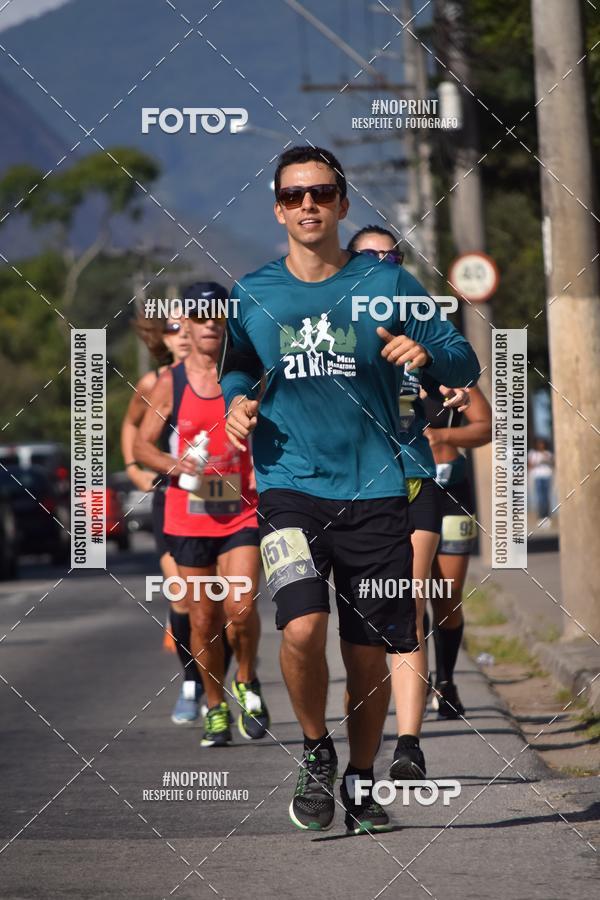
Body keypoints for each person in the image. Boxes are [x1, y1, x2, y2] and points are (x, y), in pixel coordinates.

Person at [221, 146, 480, 833]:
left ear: (341, 202)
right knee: (303, 625)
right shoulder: (254, 292)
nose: (308, 204)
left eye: (322, 192)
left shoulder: (387, 285)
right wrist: (235, 404)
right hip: (288, 486)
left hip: (376, 489)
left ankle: (362, 780)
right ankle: (315, 750)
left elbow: (465, 358)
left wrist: (426, 355)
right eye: (294, 194)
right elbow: (237, 369)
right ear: (278, 207)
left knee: (366, 653)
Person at [348, 224, 471, 776]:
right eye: (366, 256)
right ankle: (362, 749)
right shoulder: (331, 328)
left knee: (411, 597)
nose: (379, 263)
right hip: (348, 489)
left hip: (419, 481)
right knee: (361, 622)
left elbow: (465, 382)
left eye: (389, 256)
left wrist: (438, 379)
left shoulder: (419, 328)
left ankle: (409, 744)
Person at [134, 283, 269, 747]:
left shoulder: (249, 373)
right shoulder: (169, 383)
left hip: (241, 511)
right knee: (204, 618)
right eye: (200, 315)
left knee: (240, 606)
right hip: (188, 515)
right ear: (186, 324)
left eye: (218, 314)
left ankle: (247, 680)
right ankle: (214, 707)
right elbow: (141, 445)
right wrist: (175, 465)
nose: (210, 322)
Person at [121, 312, 217, 725]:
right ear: (163, 338)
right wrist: (134, 466)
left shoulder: (219, 376)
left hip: (221, 494)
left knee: (221, 605)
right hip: (174, 497)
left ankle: (226, 682)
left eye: (187, 327)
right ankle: (192, 683)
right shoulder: (157, 382)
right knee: (183, 596)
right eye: (173, 329)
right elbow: (132, 425)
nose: (181, 335)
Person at [424, 382, 492, 717]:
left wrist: (443, 437)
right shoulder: (376, 363)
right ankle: (418, 676)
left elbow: (485, 427)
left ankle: (446, 682)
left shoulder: (450, 369)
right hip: (400, 494)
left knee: (448, 595)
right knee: (409, 592)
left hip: (451, 493)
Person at [528, 437, 554, 525]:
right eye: (539, 444)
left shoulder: (548, 454)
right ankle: (541, 517)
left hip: (546, 476)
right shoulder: (533, 453)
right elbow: (530, 465)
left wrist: (546, 459)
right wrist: (538, 461)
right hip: (538, 477)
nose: (540, 445)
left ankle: (547, 517)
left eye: (542, 443)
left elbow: (552, 464)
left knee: (546, 498)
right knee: (540, 498)